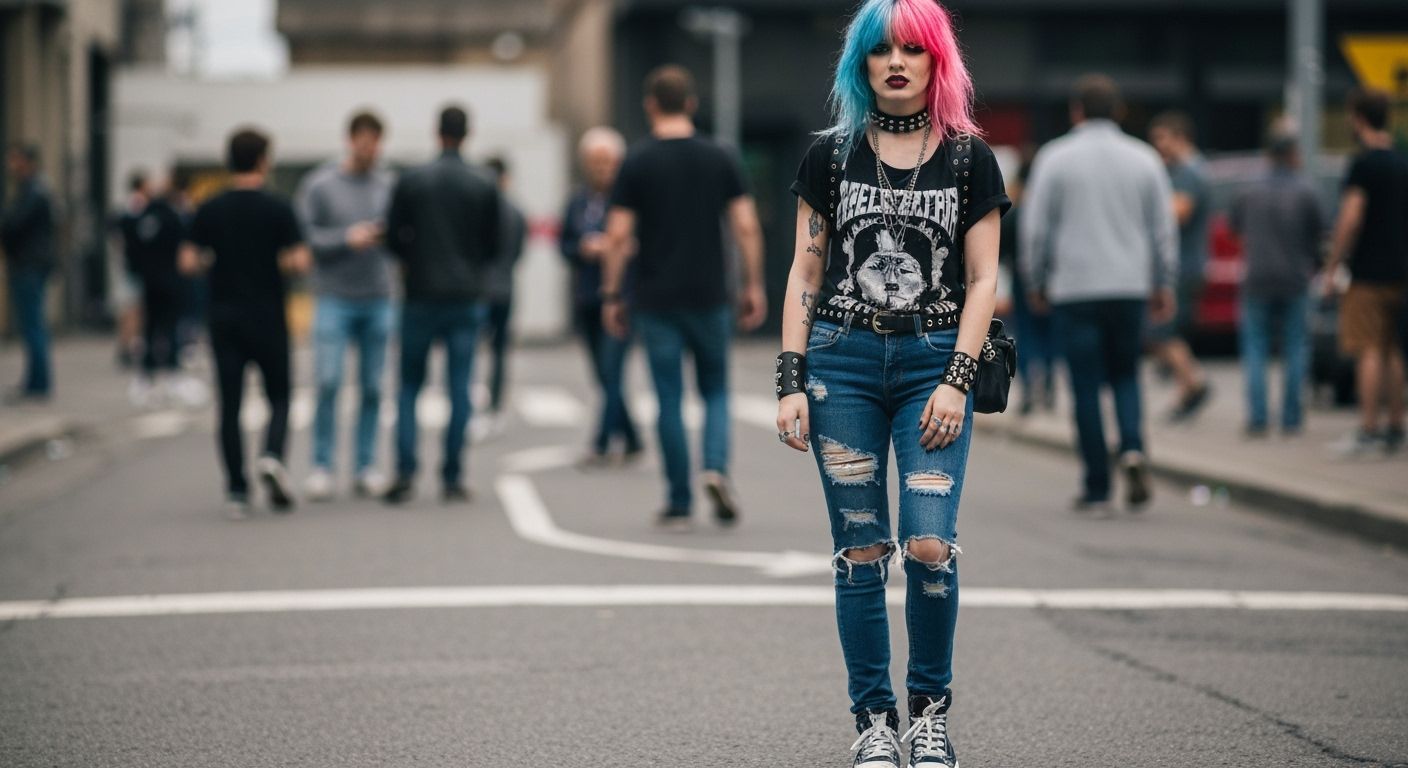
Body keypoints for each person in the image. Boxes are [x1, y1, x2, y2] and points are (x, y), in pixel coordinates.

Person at [779, 1, 1008, 764]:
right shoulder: (831, 156)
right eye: (882, 50)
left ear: (938, 60)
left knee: (929, 544)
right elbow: (806, 269)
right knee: (862, 550)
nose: (898, 63)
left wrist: (956, 379)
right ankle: (874, 724)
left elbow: (983, 280)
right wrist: (790, 378)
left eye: (913, 49)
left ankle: (929, 715)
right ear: (862, 64)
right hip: (840, 363)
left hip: (931, 363)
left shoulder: (970, 158)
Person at [600, 65, 767, 529]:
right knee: (715, 390)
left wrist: (612, 293)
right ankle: (715, 466)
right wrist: (753, 284)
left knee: (668, 397)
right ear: (692, 104)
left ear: (650, 105)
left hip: (655, 299)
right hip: (710, 295)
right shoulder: (720, 156)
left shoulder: (636, 161)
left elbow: (617, 236)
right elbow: (746, 225)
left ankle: (678, 499)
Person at [1019, 74, 1177, 512]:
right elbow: (1163, 229)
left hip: (1075, 289)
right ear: (1119, 111)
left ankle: (1097, 484)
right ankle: (1132, 448)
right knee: (1126, 374)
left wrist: (1035, 280)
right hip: (1129, 286)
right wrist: (1163, 282)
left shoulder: (1054, 158)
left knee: (1084, 385)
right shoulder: (1145, 159)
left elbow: (1036, 228)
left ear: (1077, 111)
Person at [181, 128, 310, 517]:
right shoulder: (278, 208)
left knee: (230, 404)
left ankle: (236, 490)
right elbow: (299, 261)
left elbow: (187, 262)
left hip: (224, 316)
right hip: (268, 314)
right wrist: (276, 261)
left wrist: (215, 261)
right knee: (280, 396)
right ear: (263, 161)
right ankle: (272, 454)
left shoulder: (210, 208)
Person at [382, 105, 502, 504]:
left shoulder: (412, 180)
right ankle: (452, 475)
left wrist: (413, 261)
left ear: (438, 133)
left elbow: (393, 238)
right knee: (459, 387)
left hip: (420, 293)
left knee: (409, 386)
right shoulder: (483, 183)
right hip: (465, 296)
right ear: (468, 134)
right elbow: (493, 245)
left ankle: (405, 471)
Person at [295, 111, 396, 500]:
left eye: (376, 143)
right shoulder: (320, 185)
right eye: (364, 142)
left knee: (372, 387)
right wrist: (345, 238)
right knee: (328, 382)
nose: (370, 150)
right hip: (333, 297)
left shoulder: (388, 186)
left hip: (379, 297)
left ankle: (365, 465)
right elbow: (303, 238)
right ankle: (321, 466)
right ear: (350, 140)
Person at [1324, 87, 1408, 456]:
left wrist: (1333, 266)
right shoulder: (1402, 163)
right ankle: (1396, 427)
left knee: (1369, 349)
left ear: (1359, 119)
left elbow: (1351, 218)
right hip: (1401, 272)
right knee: (1393, 350)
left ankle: (1369, 428)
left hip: (1368, 273)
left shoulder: (1363, 165)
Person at [1228, 132, 1324, 438]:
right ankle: (1291, 418)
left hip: (1257, 277)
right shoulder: (1306, 191)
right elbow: (1320, 233)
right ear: (1293, 154)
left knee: (1255, 347)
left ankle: (1258, 417)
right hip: (1295, 277)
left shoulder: (1249, 190)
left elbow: (1235, 228)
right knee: (1295, 346)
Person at [561, 127, 643, 466]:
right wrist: (582, 247)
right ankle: (633, 437)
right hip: (588, 297)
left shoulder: (632, 201)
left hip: (623, 298)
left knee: (612, 370)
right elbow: (564, 243)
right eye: (595, 162)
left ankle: (601, 442)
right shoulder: (578, 201)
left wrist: (622, 248)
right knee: (603, 375)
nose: (602, 169)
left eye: (607, 162)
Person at [1147, 111, 1213, 422]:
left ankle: (1193, 383)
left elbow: (1178, 213)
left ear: (1179, 137)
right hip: (1184, 264)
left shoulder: (1189, 173)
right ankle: (1188, 386)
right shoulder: (1186, 170)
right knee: (1166, 331)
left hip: (1183, 266)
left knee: (1162, 331)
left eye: (1161, 139)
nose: (1157, 147)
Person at [122, 173, 195, 407]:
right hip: (170, 281)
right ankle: (171, 373)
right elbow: (185, 250)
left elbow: (130, 244)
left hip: (149, 281)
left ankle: (148, 374)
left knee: (150, 327)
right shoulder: (173, 217)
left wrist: (138, 269)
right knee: (170, 327)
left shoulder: (143, 216)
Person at [474, 155, 526, 442]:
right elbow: (518, 253)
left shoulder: (478, 209)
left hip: (479, 289)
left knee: (471, 350)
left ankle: (475, 408)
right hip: (505, 288)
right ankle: (495, 407)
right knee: (499, 351)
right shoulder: (515, 212)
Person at [2, 144, 56, 403]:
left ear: (27, 162)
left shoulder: (34, 192)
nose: (11, 166)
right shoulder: (33, 189)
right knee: (32, 325)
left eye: (16, 160)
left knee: (33, 325)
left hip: (29, 265)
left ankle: (38, 383)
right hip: (30, 264)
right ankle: (35, 381)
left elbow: (13, 224)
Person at [1000, 161, 1055, 414]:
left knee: (1024, 333)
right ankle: (1049, 382)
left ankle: (1028, 388)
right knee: (1049, 331)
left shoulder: (1014, 213)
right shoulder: (1049, 213)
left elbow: (1001, 251)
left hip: (1021, 278)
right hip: (1052, 278)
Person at [114, 171, 150, 371]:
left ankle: (126, 344)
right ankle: (129, 345)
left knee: (128, 306)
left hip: (129, 263)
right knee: (134, 308)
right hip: (135, 265)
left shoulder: (126, 205)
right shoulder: (138, 206)